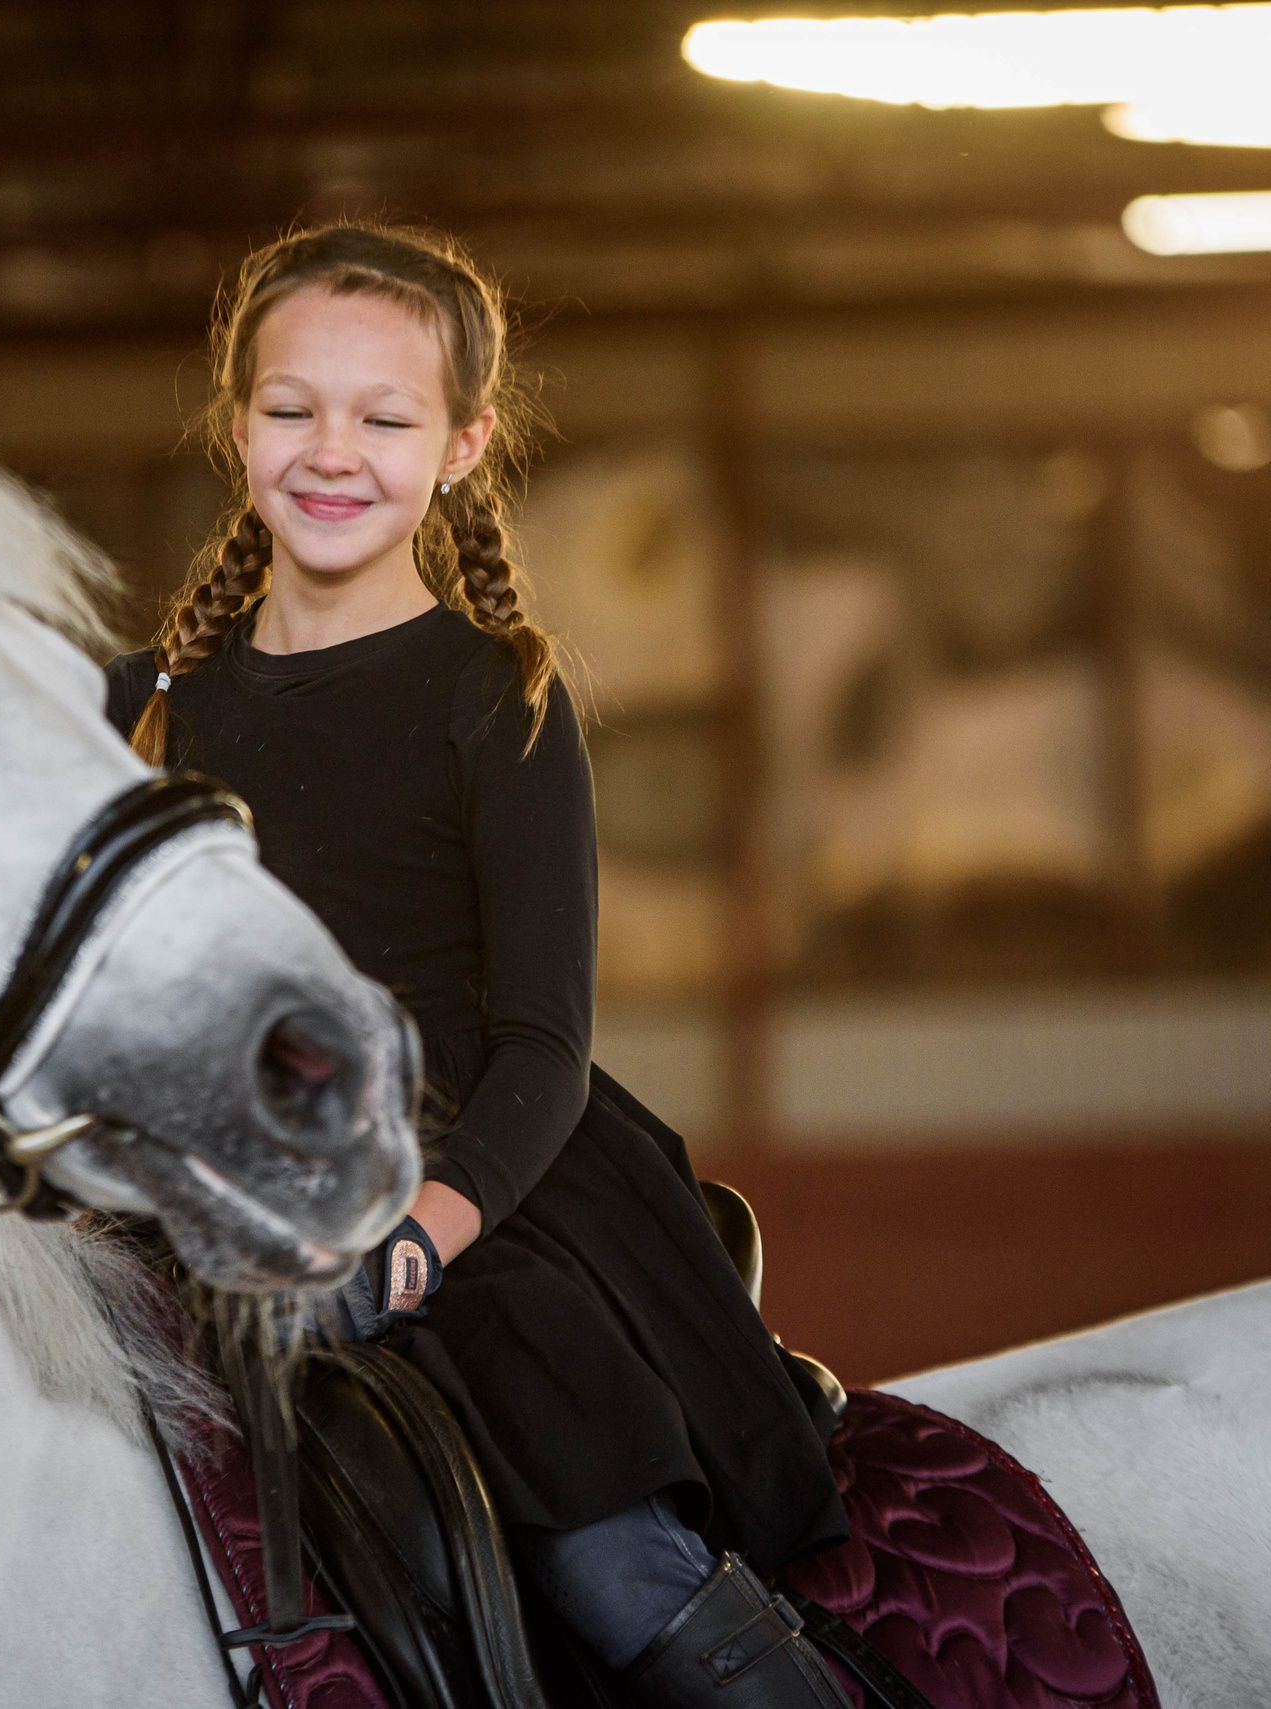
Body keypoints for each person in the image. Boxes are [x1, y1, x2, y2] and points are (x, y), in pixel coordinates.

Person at [104, 224, 850, 1709]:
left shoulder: (493, 697)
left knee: (603, 1557)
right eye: (291, 407)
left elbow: (544, 1042)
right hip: (204, 1190)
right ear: (237, 421)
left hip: (471, 1195)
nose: (333, 451)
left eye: (385, 419)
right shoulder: (136, 706)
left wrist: (417, 1241)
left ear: (461, 446)